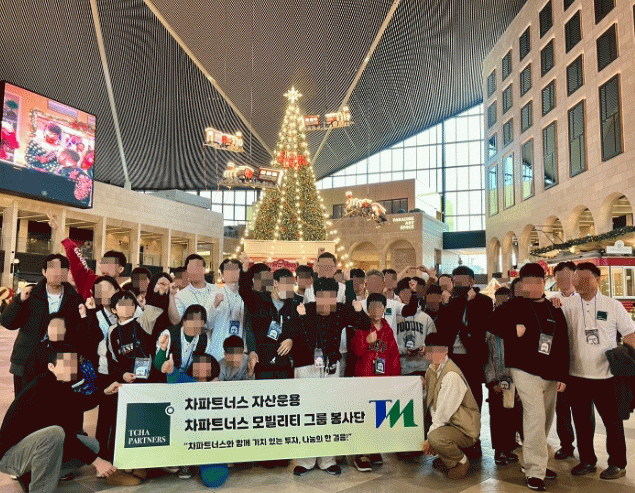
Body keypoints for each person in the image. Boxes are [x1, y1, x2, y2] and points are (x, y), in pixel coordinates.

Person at [0, 346, 132, 492]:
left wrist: (104, 393)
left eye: (73, 365)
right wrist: (97, 461)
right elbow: (66, 436)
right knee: (55, 434)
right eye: (66, 365)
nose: (71, 369)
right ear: (51, 367)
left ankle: (32, 476)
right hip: (10, 456)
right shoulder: (43, 388)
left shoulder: (59, 383)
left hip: (30, 447)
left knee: (92, 446)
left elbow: (78, 402)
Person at [490, 263, 569, 492]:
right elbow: (491, 323)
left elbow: (563, 343)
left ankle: (537, 463)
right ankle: (535, 471)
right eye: (527, 282)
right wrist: (512, 331)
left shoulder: (554, 308)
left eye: (537, 282)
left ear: (544, 283)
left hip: (550, 372)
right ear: (521, 284)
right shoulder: (513, 306)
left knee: (545, 419)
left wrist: (563, 375)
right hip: (523, 369)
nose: (532, 286)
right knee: (535, 417)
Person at [560, 262, 634, 480]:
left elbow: (630, 334)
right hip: (576, 376)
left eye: (585, 278)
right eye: (577, 279)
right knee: (582, 423)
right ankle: (587, 461)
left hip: (606, 376)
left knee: (613, 422)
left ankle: (617, 464)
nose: (580, 282)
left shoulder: (612, 305)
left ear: (597, 280)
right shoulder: (568, 305)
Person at [292, 277, 365, 476]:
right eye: (323, 296)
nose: (327, 301)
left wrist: (359, 309)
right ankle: (305, 460)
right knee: (306, 411)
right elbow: (291, 332)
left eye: (331, 297)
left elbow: (364, 324)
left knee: (330, 411)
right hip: (306, 366)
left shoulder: (341, 310)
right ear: (315, 296)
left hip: (331, 366)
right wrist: (295, 325)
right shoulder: (304, 309)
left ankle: (327, 460)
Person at [0, 254, 83, 395]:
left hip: (59, 362)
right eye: (52, 269)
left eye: (61, 269)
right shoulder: (30, 294)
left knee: (54, 405)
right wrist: (19, 301)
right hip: (26, 359)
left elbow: (79, 332)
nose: (56, 273)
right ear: (44, 272)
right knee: (24, 404)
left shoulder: (75, 300)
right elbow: (8, 322)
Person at [351, 292, 400, 471]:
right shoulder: (362, 327)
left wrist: (394, 381)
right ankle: (361, 454)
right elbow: (356, 351)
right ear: (367, 309)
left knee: (379, 417)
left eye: (379, 306)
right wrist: (366, 341)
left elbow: (394, 357)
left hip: (382, 382)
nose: (376, 310)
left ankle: (374, 449)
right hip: (365, 381)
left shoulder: (388, 330)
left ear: (384, 309)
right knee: (364, 418)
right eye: (372, 307)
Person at [422, 333, 480, 480]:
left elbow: (443, 412)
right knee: (431, 432)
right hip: (451, 423)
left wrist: (430, 439)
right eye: (430, 350)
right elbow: (432, 404)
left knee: (435, 437)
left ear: (446, 350)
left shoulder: (451, 375)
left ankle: (461, 462)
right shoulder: (431, 371)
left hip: (465, 428)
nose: (433, 354)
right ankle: (447, 460)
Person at [443, 266, 493, 412]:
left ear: (471, 282)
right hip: (453, 355)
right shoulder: (453, 301)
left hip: (473, 355)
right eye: (455, 282)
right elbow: (448, 325)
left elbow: (480, 327)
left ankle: (474, 424)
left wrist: (470, 302)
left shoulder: (484, 301)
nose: (458, 285)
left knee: (474, 392)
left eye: (462, 281)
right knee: (454, 393)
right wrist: (452, 303)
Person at [238, 262, 298, 381]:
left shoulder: (293, 305)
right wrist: (245, 271)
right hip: (263, 360)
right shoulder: (259, 300)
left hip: (284, 362)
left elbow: (298, 328)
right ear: (275, 283)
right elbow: (244, 291)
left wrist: (291, 340)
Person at [485, 287, 521, 466]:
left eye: (505, 301)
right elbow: (487, 359)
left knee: (512, 415)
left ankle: (509, 448)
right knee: (498, 417)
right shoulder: (489, 331)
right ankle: (499, 450)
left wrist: (520, 382)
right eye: (498, 302)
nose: (502, 305)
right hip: (496, 380)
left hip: (515, 380)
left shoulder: (518, 329)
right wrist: (492, 382)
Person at [550, 262, 577, 461]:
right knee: (562, 408)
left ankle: (587, 450)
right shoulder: (551, 301)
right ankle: (566, 445)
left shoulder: (584, 299)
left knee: (583, 411)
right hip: (561, 363)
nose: (563, 281)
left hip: (583, 363)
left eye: (566, 276)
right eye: (559, 277)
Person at [395, 278, 436, 378]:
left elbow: (434, 343)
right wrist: (403, 350)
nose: (406, 295)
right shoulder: (394, 317)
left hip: (422, 367)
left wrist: (425, 348)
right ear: (398, 294)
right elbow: (389, 343)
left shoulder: (425, 318)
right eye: (403, 292)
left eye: (409, 292)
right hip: (401, 367)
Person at [361, 270, 419, 338]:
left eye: (377, 283)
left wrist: (414, 292)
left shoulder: (393, 304)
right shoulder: (359, 306)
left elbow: (411, 311)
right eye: (372, 283)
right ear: (366, 285)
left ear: (383, 284)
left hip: (390, 344)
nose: (375, 286)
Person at [169, 254, 215, 326]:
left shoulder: (217, 290)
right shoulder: (181, 295)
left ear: (204, 269)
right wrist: (171, 295)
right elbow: (175, 320)